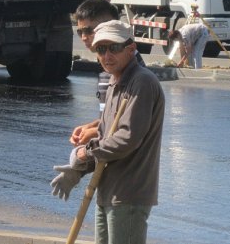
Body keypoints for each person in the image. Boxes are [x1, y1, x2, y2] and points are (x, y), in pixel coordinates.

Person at [71, 20, 165, 244]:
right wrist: (91, 133)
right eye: (101, 49)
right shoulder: (116, 81)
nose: (106, 55)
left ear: (131, 49)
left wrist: (88, 153)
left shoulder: (141, 82)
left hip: (128, 193)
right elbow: (109, 128)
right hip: (108, 189)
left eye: (113, 48)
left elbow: (127, 138)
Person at [50, 0, 146, 202]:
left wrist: (91, 143)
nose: (85, 38)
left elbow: (128, 129)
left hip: (127, 185)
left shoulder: (132, 72)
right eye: (80, 32)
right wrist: (93, 125)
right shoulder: (108, 69)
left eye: (90, 30)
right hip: (109, 179)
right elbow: (111, 115)